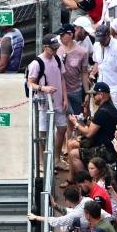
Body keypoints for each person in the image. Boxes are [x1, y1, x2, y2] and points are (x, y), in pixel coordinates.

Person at [28, 34, 70, 165]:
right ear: (45, 47)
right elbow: (30, 84)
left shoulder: (57, 59)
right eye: (53, 48)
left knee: (62, 128)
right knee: (43, 133)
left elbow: (62, 79)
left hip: (58, 101)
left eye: (56, 48)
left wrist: (65, 98)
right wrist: (43, 88)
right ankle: (42, 161)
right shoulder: (36, 63)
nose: (55, 50)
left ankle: (56, 158)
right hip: (43, 102)